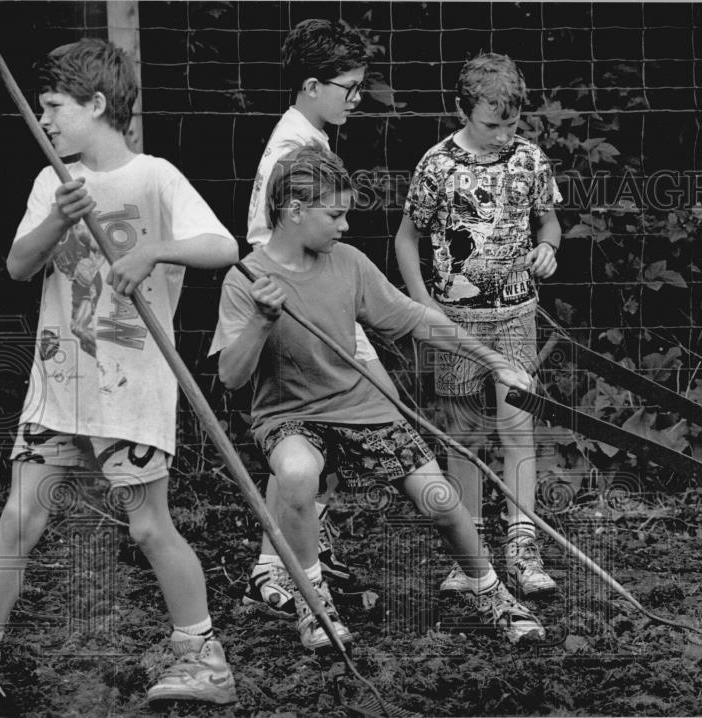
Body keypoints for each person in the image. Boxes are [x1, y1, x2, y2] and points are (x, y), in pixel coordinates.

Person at [211, 143, 546, 648]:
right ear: (294, 211)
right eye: (335, 214)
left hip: (361, 406)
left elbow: (417, 319)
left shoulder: (347, 263)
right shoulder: (248, 279)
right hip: (290, 416)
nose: (345, 225)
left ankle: (488, 589)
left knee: (439, 497)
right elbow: (233, 378)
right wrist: (261, 320)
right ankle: (313, 600)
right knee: (298, 474)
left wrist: (496, 361)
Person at [0, 39, 238, 705]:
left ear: (97, 104)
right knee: (19, 516)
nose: (43, 121)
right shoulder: (54, 180)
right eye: (41, 107)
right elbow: (19, 266)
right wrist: (57, 220)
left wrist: (154, 251)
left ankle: (204, 662)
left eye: (54, 107)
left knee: (147, 525)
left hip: (130, 389)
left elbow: (222, 245)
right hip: (58, 384)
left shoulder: (155, 177)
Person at [394, 52, 562, 599]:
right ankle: (471, 559)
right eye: (492, 125)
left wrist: (546, 248)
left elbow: (550, 221)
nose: (502, 135)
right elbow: (406, 239)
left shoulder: (530, 160)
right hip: (456, 327)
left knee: (518, 428)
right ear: (462, 110)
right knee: (463, 437)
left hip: (515, 318)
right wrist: (423, 307)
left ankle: (524, 547)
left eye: (512, 123)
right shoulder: (437, 166)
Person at [242, 18, 392, 616]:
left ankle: (302, 541)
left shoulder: (310, 137)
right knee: (310, 427)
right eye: (349, 88)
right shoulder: (292, 150)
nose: (356, 99)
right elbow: (263, 239)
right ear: (311, 85)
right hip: (299, 313)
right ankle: (273, 563)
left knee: (344, 422)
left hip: (321, 303)